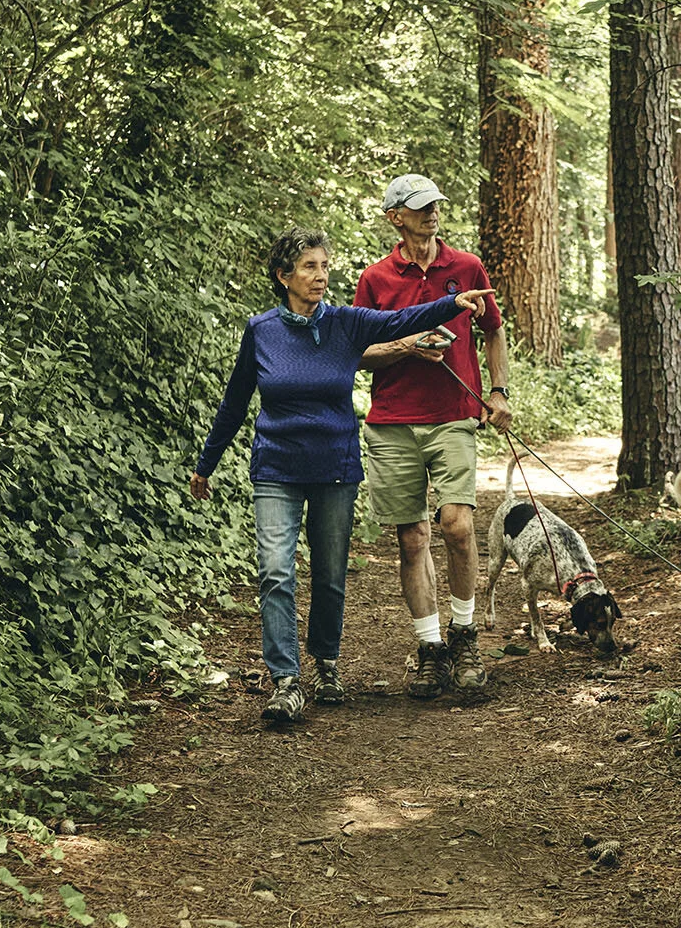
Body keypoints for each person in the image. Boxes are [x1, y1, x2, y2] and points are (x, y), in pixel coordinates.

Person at [191, 227, 494, 723]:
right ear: (283, 275)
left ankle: (326, 663)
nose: (321, 276)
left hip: (334, 467)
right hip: (276, 467)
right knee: (275, 571)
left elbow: (403, 319)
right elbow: (235, 399)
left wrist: (454, 303)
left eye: (324, 266)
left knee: (330, 575)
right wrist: (207, 464)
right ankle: (286, 681)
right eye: (309, 267)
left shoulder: (345, 324)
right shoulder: (261, 330)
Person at [355, 174, 511, 699]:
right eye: (420, 208)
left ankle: (465, 638)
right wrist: (407, 347)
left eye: (436, 206)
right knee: (412, 538)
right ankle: (430, 650)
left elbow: (493, 329)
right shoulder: (375, 279)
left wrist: (500, 391)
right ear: (395, 216)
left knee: (458, 525)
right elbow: (357, 352)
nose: (432, 214)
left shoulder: (466, 268)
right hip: (393, 419)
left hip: (454, 414)